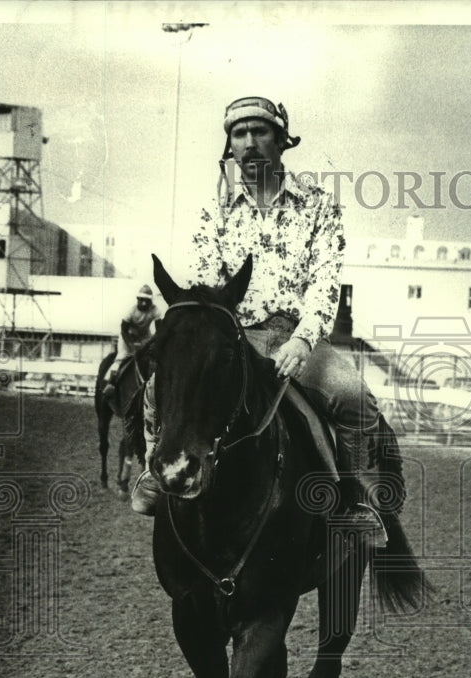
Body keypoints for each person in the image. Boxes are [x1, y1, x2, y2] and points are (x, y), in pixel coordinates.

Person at [132, 95, 387, 545]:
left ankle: (355, 503)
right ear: (229, 147)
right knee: (156, 388)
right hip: (233, 337)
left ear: (282, 141)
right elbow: (206, 279)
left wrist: (303, 340)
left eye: (260, 132)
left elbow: (325, 283)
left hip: (295, 339)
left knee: (355, 399)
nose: (249, 143)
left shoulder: (318, 206)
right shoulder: (216, 209)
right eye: (239, 134)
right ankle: (156, 468)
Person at [104, 285, 162, 387]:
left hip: (145, 337)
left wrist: (150, 344)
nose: (144, 303)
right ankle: (110, 384)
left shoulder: (155, 310)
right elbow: (123, 330)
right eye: (142, 300)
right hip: (128, 336)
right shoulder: (130, 311)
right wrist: (131, 347)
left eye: (147, 301)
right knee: (121, 357)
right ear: (137, 299)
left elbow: (159, 330)